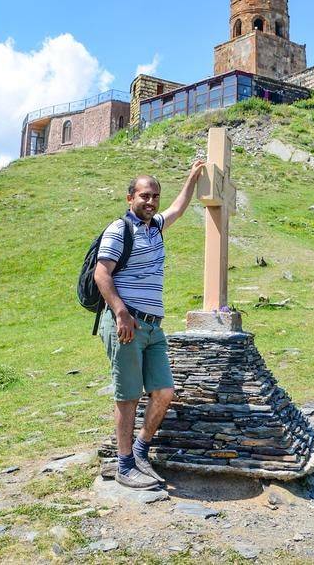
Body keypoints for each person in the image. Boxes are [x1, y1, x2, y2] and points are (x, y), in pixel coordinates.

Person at [94, 160, 205, 489]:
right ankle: (124, 465)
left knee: (164, 391)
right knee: (128, 396)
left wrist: (192, 178)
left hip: (154, 327)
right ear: (130, 198)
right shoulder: (119, 230)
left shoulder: (155, 227)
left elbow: (178, 208)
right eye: (144, 196)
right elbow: (102, 273)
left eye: (155, 196)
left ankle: (141, 450)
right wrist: (120, 313)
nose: (151, 201)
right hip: (127, 324)